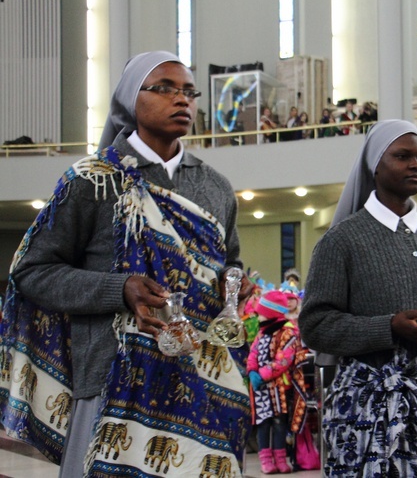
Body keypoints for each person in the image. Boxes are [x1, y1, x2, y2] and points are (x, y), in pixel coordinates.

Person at [0, 51, 253, 477]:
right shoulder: (93, 179)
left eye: (189, 92)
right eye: (165, 89)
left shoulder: (216, 187)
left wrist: (237, 284)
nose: (182, 100)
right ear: (129, 100)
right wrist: (118, 289)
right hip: (114, 379)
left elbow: (227, 263)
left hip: (200, 379)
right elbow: (31, 272)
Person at [298, 120, 417, 476]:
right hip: (369, 403)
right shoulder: (342, 241)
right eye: (402, 156)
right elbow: (315, 325)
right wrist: (390, 327)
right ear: (375, 164)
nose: (416, 165)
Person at [247, 290, 308, 474]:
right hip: (261, 389)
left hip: (279, 388)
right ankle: (266, 460)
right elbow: (253, 353)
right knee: (263, 423)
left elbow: (284, 360)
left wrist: (263, 374)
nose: (258, 315)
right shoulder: (261, 333)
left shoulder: (287, 332)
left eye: (262, 312)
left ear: (272, 312)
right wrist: (251, 371)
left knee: (280, 423)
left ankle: (281, 458)